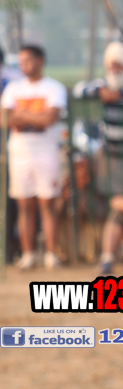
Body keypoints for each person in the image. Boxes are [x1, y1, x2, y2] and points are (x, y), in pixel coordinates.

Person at [3, 44, 68, 270]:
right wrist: (35, 116)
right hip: (20, 152)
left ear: (40, 61)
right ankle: (28, 254)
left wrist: (22, 114)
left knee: (47, 203)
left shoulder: (54, 88)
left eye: (28, 61)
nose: (24, 66)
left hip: (46, 151)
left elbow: (49, 119)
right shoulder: (13, 88)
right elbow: (5, 119)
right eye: (21, 61)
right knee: (24, 205)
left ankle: (51, 254)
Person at [74, 41, 123, 203]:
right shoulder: (103, 85)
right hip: (111, 154)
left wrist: (118, 95)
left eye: (119, 65)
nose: (115, 70)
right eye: (111, 66)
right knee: (112, 195)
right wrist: (100, 91)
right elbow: (79, 90)